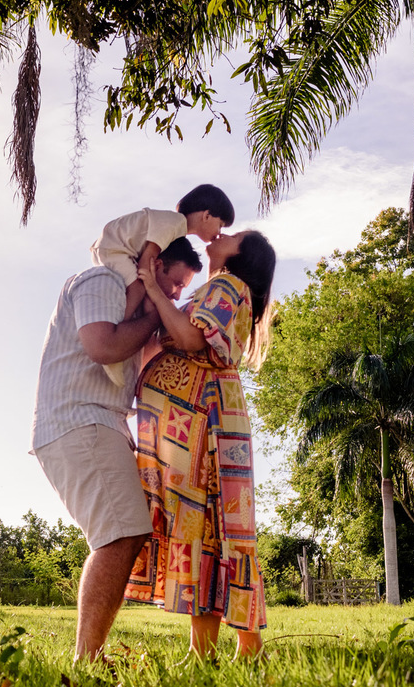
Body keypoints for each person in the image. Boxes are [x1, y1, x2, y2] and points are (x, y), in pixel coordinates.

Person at [32, 237, 204, 660]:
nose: (179, 293)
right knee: (120, 534)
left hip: (96, 424)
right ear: (157, 265)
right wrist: (150, 316)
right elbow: (103, 346)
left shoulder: (131, 302)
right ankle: (87, 657)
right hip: (81, 420)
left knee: (123, 533)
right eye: (177, 282)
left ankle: (90, 653)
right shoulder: (102, 280)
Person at [124, 229, 276, 661]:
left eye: (233, 235)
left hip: (203, 425)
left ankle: (233, 648)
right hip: (199, 425)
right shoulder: (219, 288)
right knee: (210, 532)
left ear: (241, 253)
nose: (221, 234)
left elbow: (193, 340)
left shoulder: (228, 285)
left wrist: (153, 285)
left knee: (208, 529)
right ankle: (229, 648)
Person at [90, 185, 235, 387]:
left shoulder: (176, 232)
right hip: (115, 249)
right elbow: (149, 256)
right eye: (220, 225)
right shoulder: (174, 223)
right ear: (207, 215)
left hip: (114, 247)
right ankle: (119, 331)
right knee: (139, 286)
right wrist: (148, 285)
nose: (219, 234)